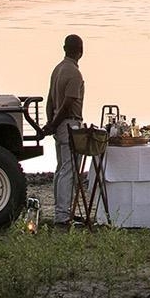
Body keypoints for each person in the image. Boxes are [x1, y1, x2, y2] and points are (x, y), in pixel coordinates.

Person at [41, 33, 85, 226]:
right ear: (81, 51)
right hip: (69, 124)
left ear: (64, 48)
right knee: (69, 170)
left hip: (59, 125)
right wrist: (54, 124)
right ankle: (63, 214)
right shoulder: (74, 73)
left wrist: (51, 122)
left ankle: (61, 210)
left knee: (61, 168)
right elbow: (68, 103)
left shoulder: (57, 69)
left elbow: (50, 100)